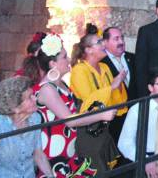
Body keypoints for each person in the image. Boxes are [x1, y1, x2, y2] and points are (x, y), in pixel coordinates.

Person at [24, 32, 115, 177]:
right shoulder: (47, 89)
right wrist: (100, 115)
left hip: (69, 153)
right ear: (52, 64)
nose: (68, 59)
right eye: (64, 57)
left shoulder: (62, 84)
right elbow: (70, 120)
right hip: (54, 157)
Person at [70, 32, 127, 172]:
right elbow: (89, 101)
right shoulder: (79, 70)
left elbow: (116, 100)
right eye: (99, 42)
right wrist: (112, 87)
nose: (103, 45)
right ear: (89, 50)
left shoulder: (105, 67)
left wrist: (118, 85)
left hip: (106, 126)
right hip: (89, 128)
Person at [0, 76, 53, 177]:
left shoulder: (35, 118)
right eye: (30, 97)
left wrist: (51, 176)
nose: (36, 98)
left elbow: (38, 155)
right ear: (15, 107)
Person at [100, 26, 136, 139]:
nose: (121, 42)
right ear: (105, 42)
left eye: (122, 38)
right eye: (116, 39)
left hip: (134, 113)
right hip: (114, 118)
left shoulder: (133, 58)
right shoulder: (101, 63)